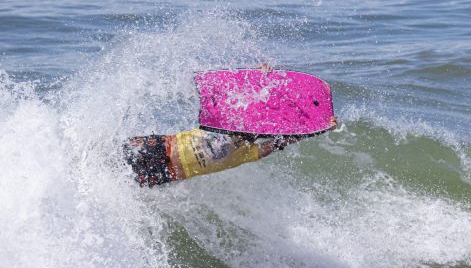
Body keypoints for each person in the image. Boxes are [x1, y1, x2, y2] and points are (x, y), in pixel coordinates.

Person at [124, 64, 337, 187]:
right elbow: (231, 92)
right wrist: (258, 75)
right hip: (163, 145)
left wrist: (314, 130)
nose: (253, 131)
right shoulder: (226, 120)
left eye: (257, 131)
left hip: (167, 172)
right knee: (110, 155)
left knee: (121, 183)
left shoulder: (247, 152)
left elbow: (280, 142)